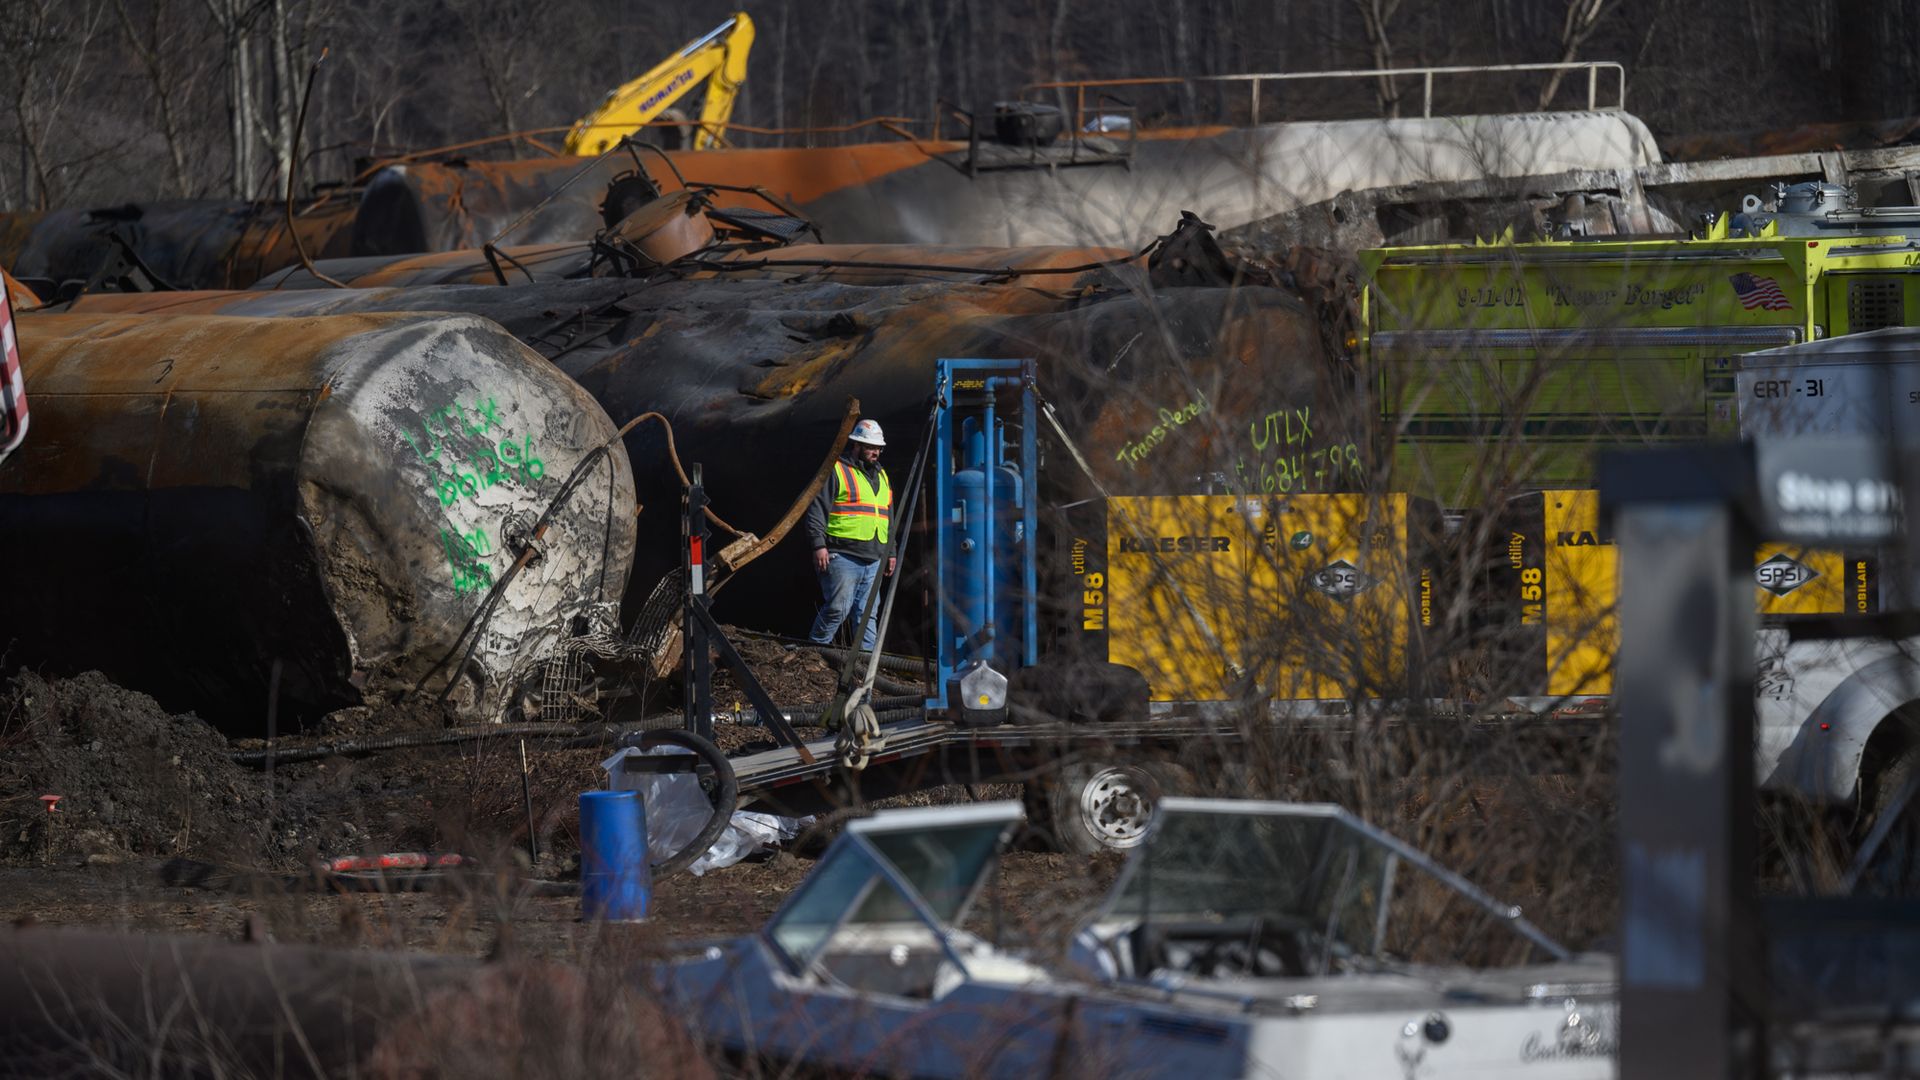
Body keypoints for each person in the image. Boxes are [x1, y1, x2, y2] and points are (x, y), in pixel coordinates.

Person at [804, 419, 895, 649]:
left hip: (874, 557)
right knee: (838, 608)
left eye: (878, 448)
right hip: (842, 554)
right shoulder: (837, 470)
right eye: (871, 447)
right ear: (856, 445)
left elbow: (887, 516)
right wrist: (818, 545)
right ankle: (814, 652)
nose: (876, 452)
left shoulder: (882, 476)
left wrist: (890, 551)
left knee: (867, 615)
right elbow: (816, 509)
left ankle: (865, 669)